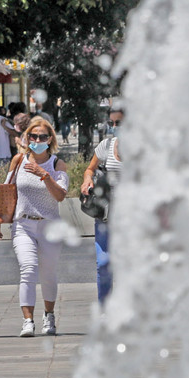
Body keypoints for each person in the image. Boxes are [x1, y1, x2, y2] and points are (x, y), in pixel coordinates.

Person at [0, 120, 68, 337]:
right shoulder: (18, 160)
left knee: (48, 273)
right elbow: (7, 189)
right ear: (27, 138)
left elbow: (60, 195)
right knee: (28, 268)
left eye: (42, 137)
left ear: (50, 139)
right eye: (33, 137)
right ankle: (27, 320)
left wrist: (43, 175)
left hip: (50, 226)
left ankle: (49, 315)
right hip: (23, 223)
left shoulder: (57, 164)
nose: (37, 141)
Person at [81, 109, 123, 305]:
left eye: (119, 123)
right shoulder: (106, 145)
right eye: (112, 123)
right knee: (104, 263)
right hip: (106, 213)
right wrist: (87, 180)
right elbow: (90, 169)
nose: (115, 128)